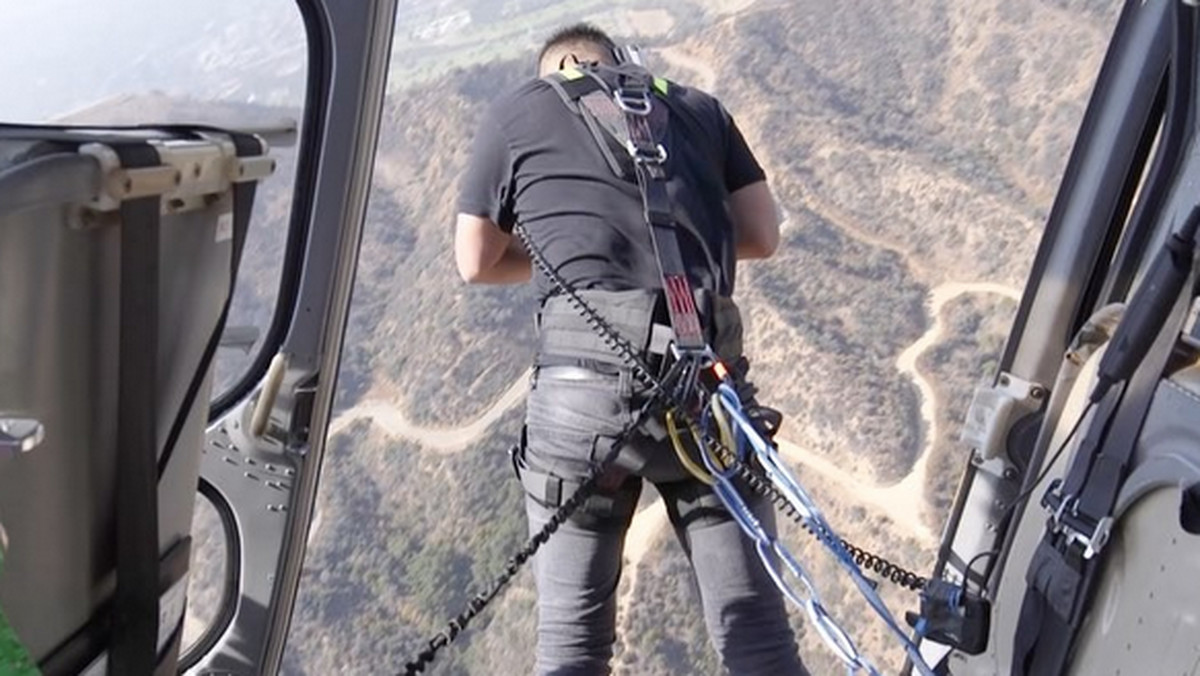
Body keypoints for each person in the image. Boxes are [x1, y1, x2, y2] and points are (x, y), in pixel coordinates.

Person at [454, 23, 807, 676]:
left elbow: (475, 261)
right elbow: (761, 236)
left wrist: (571, 257)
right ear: (621, 65)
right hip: (706, 393)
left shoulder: (516, 109)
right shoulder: (699, 107)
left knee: (572, 649)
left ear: (551, 72)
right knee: (758, 640)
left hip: (580, 403)